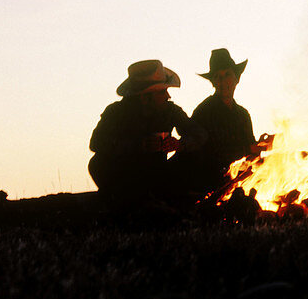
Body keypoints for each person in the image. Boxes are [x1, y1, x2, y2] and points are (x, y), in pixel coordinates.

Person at [88, 59, 206, 206]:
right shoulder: (116, 113)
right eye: (162, 91)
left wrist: (180, 144)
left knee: (195, 154)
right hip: (127, 175)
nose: (168, 96)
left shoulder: (170, 111)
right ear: (145, 96)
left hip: (160, 173)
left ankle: (176, 197)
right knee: (97, 163)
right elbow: (97, 143)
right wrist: (139, 146)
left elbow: (199, 134)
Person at [177, 48, 256, 197]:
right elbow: (205, 153)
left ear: (236, 79)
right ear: (213, 82)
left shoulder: (243, 115)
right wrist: (247, 149)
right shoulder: (204, 112)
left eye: (227, 75)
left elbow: (250, 151)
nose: (223, 81)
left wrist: (260, 147)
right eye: (217, 77)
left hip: (234, 183)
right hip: (207, 186)